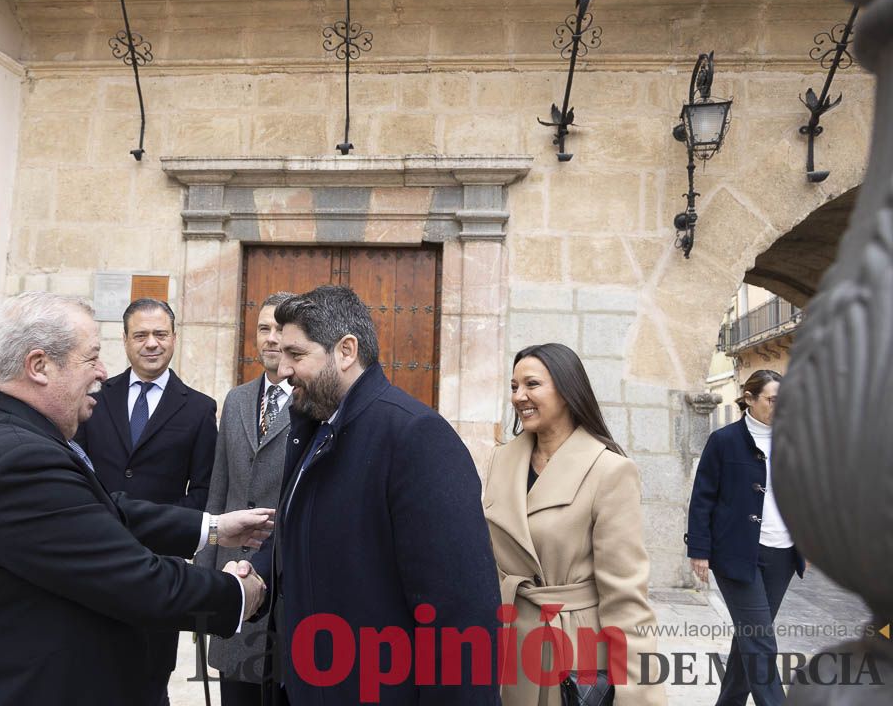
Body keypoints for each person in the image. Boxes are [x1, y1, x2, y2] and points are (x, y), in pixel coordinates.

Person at [0, 292, 273, 706]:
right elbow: (135, 580)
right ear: (39, 366)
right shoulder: (20, 460)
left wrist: (213, 528)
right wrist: (239, 593)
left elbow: (101, 510)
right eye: (91, 358)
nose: (102, 372)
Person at [252, 285, 502, 706]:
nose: (283, 370)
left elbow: (463, 618)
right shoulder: (312, 428)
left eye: (297, 355)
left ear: (346, 351)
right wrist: (258, 573)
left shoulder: (416, 437)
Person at [484, 343, 666, 706]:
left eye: (532, 384)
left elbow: (626, 597)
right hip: (506, 642)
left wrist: (638, 694)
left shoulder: (610, 471)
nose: (519, 396)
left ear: (567, 391)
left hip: (571, 654)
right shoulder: (501, 459)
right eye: (514, 386)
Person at [75, 296, 218, 699]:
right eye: (140, 335)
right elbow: (77, 469)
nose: (151, 343)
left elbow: (204, 491)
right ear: (124, 340)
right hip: (95, 558)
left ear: (174, 338)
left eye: (160, 334)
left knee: (150, 678)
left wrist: (162, 526)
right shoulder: (93, 397)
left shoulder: (199, 409)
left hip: (158, 568)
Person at [195, 291, 294, 706]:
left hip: (283, 582)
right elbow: (219, 488)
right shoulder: (235, 400)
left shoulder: (317, 404)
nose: (271, 338)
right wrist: (203, 573)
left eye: (280, 329)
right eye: (263, 329)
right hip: (230, 576)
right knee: (236, 693)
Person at [686, 369, 804, 706]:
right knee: (761, 640)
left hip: (782, 553)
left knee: (750, 636)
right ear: (748, 398)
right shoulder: (724, 441)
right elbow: (703, 497)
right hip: (736, 554)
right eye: (772, 400)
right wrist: (699, 549)